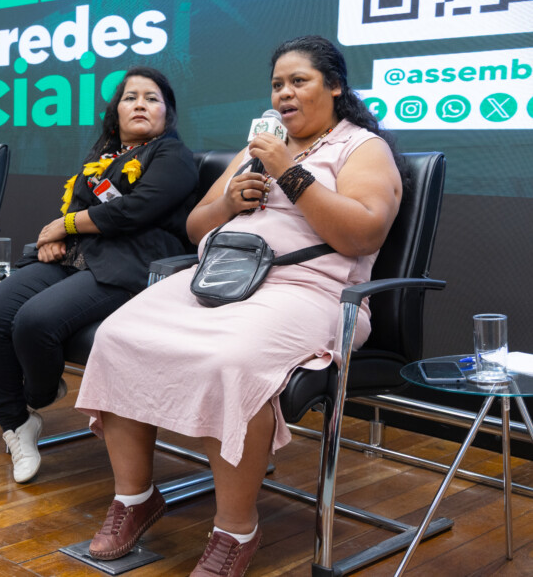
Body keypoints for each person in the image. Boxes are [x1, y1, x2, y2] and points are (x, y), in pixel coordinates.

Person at [75, 36, 403, 576]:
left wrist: (291, 174)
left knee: (233, 362)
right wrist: (230, 200)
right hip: (222, 278)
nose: (284, 93)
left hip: (311, 290)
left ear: (335, 87)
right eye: (277, 84)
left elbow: (363, 234)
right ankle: (135, 499)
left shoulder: (361, 147)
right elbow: (195, 227)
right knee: (117, 335)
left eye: (299, 81)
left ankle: (235, 531)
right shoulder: (262, 145)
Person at [0, 67, 199, 484]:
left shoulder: (174, 156)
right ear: (116, 112)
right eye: (130, 97)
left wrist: (66, 226)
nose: (141, 105)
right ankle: (18, 424)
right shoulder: (103, 158)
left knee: (34, 321)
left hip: (131, 266)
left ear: (167, 113)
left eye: (152, 98)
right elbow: (75, 209)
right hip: (76, 258)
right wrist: (53, 239)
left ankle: (37, 395)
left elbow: (136, 210)